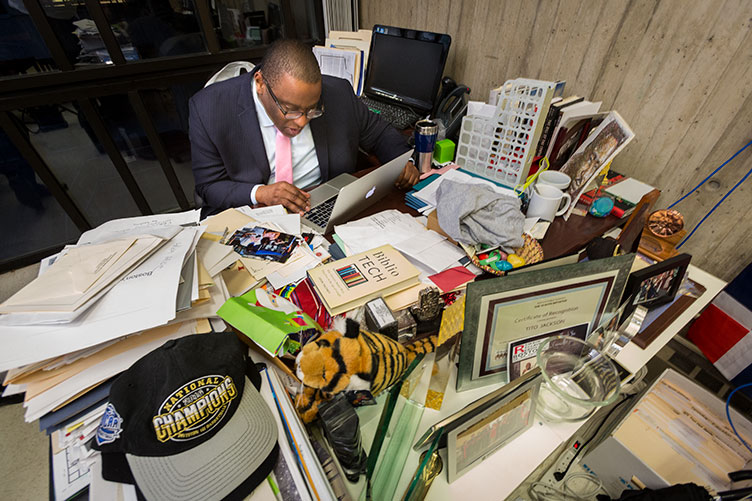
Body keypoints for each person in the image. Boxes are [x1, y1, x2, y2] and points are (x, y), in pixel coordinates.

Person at [189, 39, 419, 217]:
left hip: (324, 208)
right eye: (290, 109)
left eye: (312, 109)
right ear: (260, 83)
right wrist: (262, 193)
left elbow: (379, 133)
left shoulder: (338, 94)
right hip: (255, 214)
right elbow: (209, 186)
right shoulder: (209, 109)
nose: (301, 121)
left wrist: (403, 162)